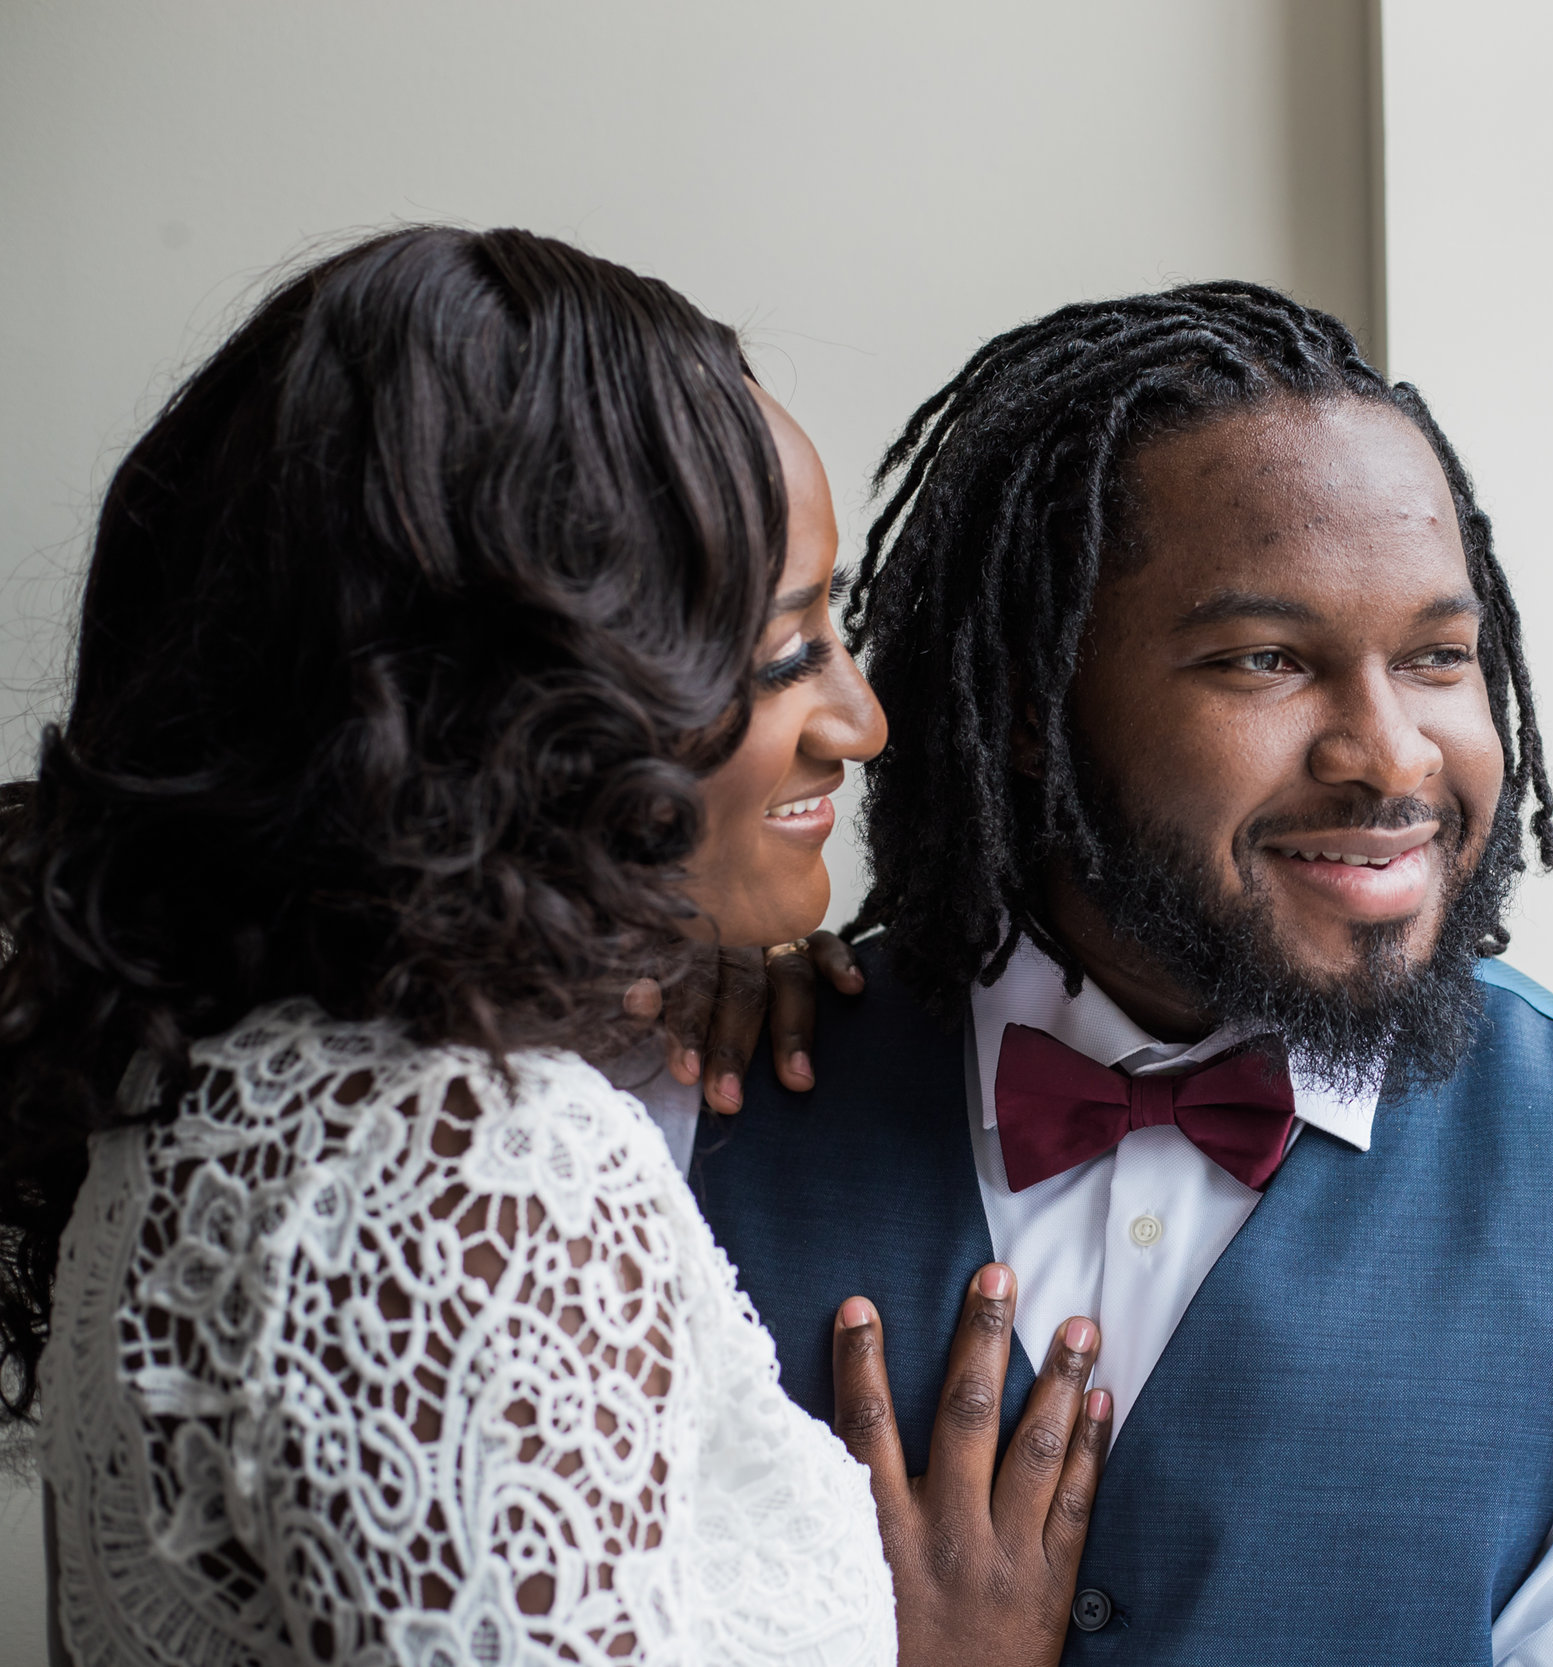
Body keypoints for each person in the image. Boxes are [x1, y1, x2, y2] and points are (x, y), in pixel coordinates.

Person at [1, 226, 1116, 1667]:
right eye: (782, 654)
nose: (861, 721)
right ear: (513, 708)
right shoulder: (457, 1164)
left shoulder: (209, 1104)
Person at [694, 283, 1553, 1663]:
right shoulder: (708, 1097)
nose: (1391, 757)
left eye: (1441, 657)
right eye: (1266, 659)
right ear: (1031, 706)